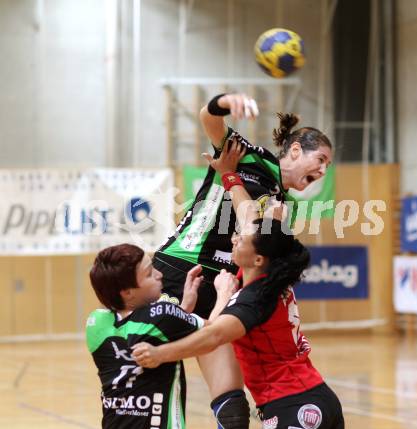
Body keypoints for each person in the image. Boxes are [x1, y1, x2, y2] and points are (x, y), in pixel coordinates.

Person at [153, 93, 333, 428]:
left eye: (327, 166)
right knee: (151, 380)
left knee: (233, 410)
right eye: (320, 159)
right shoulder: (251, 156)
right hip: (181, 268)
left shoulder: (282, 206)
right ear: (295, 150)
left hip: (222, 284)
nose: (323, 169)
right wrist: (226, 101)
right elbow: (209, 119)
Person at [132, 171, 344, 428]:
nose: (234, 238)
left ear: (257, 259)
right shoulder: (265, 275)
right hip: (313, 396)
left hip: (293, 405)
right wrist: (229, 175)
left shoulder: (253, 298)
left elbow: (212, 337)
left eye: (240, 239)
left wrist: (160, 354)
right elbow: (249, 219)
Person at [86, 243, 234, 429]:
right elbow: (214, 333)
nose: (159, 274)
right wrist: (224, 294)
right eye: (149, 273)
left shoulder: (95, 323)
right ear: (127, 292)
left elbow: (148, 331)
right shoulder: (162, 314)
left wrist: (184, 309)